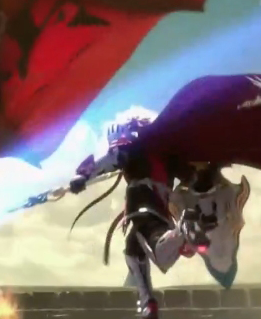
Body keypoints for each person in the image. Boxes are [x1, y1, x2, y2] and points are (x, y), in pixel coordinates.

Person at [68, 117, 242, 319]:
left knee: (158, 251)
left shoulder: (133, 150)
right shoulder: (165, 154)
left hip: (144, 201)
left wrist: (83, 176)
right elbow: (191, 175)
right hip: (158, 205)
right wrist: (207, 171)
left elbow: (112, 158)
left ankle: (183, 230)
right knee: (133, 250)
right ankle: (147, 303)